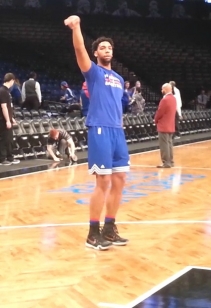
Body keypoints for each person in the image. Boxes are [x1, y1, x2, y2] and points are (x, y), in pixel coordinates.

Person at [64, 15, 130, 250]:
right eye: (102, 47)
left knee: (120, 180)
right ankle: (93, 234)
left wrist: (120, 125)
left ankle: (109, 229)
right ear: (96, 54)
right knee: (103, 182)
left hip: (117, 131)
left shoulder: (120, 79)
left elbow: (118, 105)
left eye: (109, 47)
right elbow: (79, 47)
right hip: (99, 129)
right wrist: (77, 26)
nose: (107, 49)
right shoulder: (93, 72)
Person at [154, 83, 176, 168]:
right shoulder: (173, 99)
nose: (161, 91)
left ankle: (166, 162)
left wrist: (155, 120)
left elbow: (160, 112)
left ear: (165, 89)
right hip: (171, 124)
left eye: (162, 89)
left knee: (164, 145)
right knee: (169, 144)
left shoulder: (165, 100)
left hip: (164, 125)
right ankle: (171, 161)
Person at [0, 73, 20, 166]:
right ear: (12, 80)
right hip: (3, 120)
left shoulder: (6, 91)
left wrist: (11, 119)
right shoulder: (2, 91)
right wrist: (7, 120)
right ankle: (2, 159)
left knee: (9, 139)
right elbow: (4, 107)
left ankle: (10, 157)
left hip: (8, 119)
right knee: (4, 139)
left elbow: (9, 107)